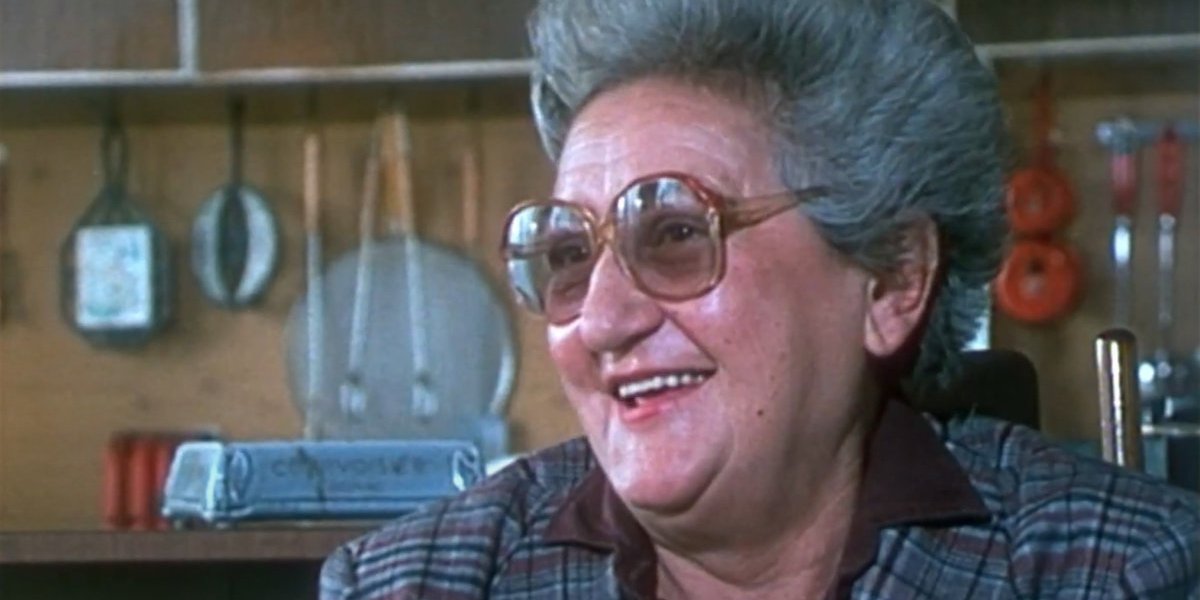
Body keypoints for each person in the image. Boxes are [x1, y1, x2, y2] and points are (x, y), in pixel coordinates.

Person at [320, 0, 1200, 597]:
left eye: (675, 233)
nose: (601, 320)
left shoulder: (1115, 573)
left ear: (892, 279)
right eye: (569, 252)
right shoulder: (418, 584)